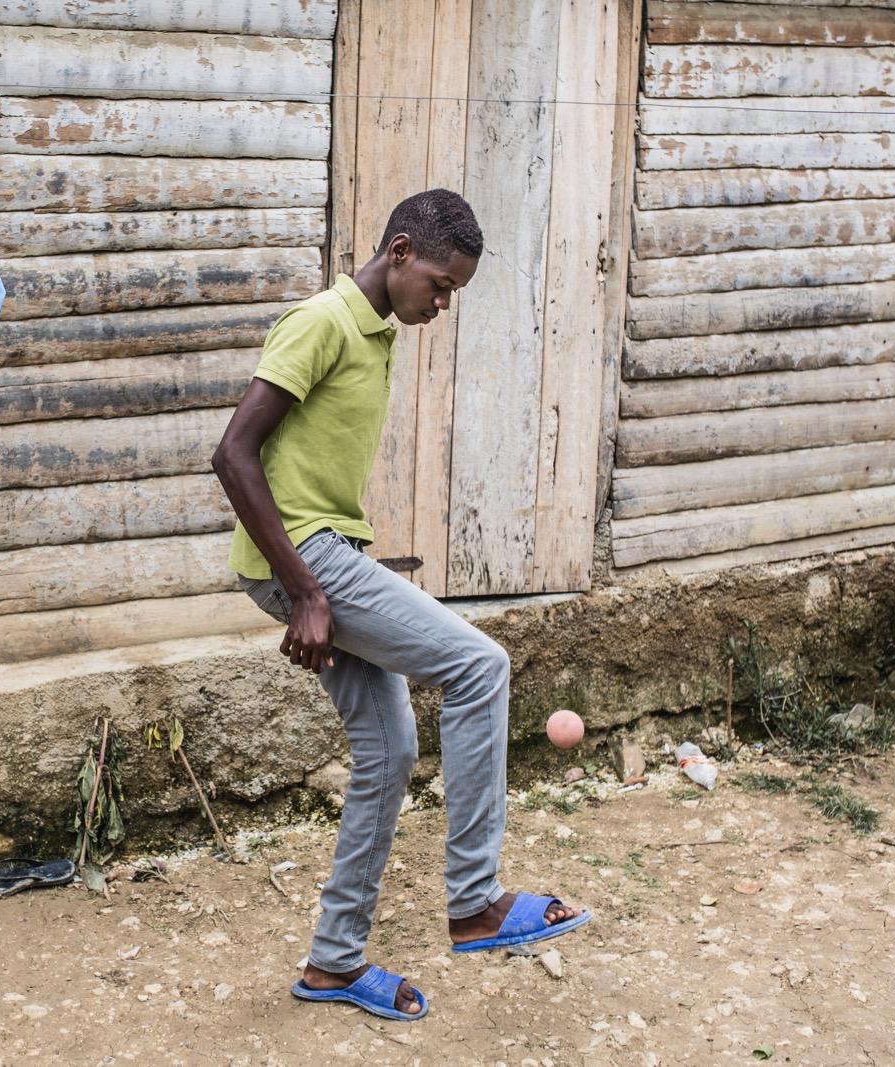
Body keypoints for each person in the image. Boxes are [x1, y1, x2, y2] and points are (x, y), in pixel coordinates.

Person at [211, 189, 590, 1022]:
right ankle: (476, 900)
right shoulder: (322, 322)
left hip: (326, 552)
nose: (443, 304)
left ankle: (334, 962)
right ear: (400, 250)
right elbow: (232, 453)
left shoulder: (377, 332)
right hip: (304, 557)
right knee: (479, 664)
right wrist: (307, 591)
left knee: (390, 747)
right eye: (442, 286)